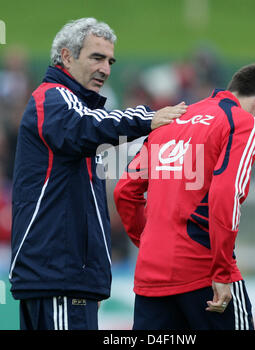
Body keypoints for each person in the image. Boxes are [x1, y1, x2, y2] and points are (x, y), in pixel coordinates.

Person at [9, 17, 187, 331]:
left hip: (64, 276)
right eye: (96, 57)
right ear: (66, 57)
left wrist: (94, 275)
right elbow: (89, 127)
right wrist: (148, 118)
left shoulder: (70, 105)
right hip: (58, 276)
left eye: (110, 61)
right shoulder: (53, 97)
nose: (106, 68)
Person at [114, 63, 255, 330]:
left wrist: (150, 244)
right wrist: (221, 271)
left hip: (151, 277)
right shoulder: (242, 123)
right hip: (204, 273)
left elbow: (125, 191)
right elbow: (226, 192)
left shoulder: (173, 117)